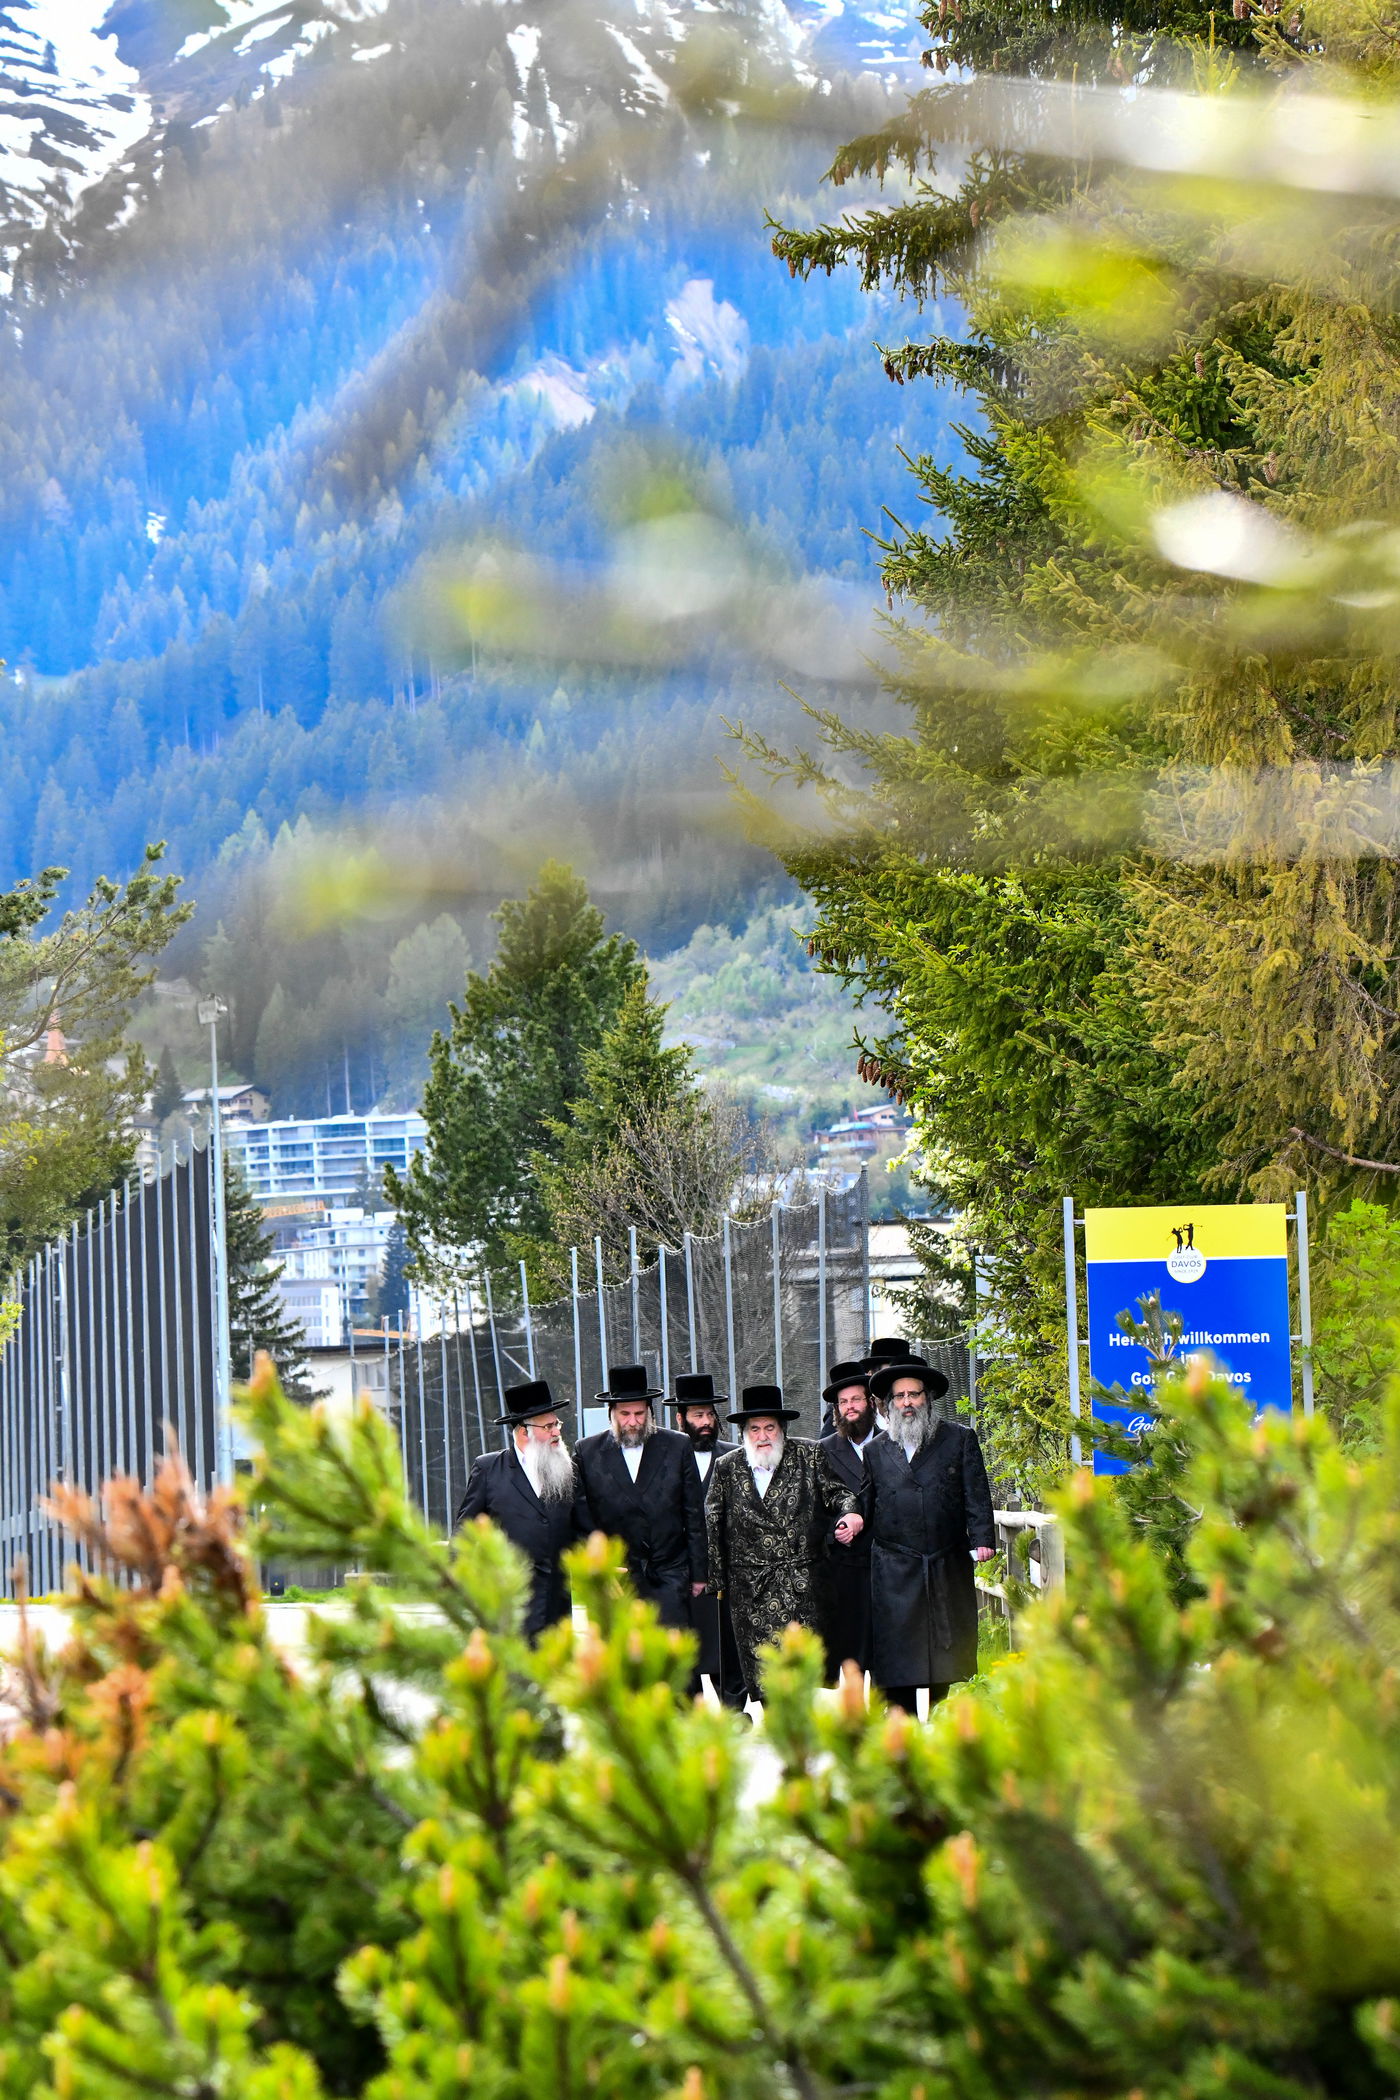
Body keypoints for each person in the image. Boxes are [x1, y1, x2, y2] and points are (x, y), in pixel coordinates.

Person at [704, 1383, 863, 1703]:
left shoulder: (809, 1454)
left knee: (800, 1667)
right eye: (755, 1428)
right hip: (750, 1587)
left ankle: (800, 1730)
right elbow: (713, 1518)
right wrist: (717, 1579)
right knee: (764, 1670)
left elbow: (839, 1493)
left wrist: (851, 1514)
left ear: (782, 1429)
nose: (762, 1435)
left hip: (802, 1584)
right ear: (744, 1432)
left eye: (769, 1427)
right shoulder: (727, 1467)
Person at [863, 1354, 996, 1714]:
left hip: (944, 1561)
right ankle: (899, 1726)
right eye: (900, 1396)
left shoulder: (959, 1439)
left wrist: (982, 1538)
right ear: (890, 1404)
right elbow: (864, 1500)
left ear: (928, 1398)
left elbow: (977, 1492)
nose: (908, 1402)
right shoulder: (875, 1451)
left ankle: (943, 1717)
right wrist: (849, 1519)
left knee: (944, 1655)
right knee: (897, 1656)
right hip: (894, 1569)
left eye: (915, 1394)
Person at [456, 1380, 591, 1642]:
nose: (556, 1432)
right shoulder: (488, 1470)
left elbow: (584, 1526)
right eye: (548, 1426)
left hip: (557, 1604)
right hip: (510, 1602)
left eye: (557, 1424)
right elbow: (466, 1530)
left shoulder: (568, 1470)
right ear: (523, 1432)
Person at [575, 1363, 708, 1629]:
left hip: (670, 1574)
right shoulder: (587, 1452)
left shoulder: (677, 1445)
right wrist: (600, 1566)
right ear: (611, 1412)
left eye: (639, 1413)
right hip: (618, 1577)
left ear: (649, 1411)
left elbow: (693, 1514)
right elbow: (582, 1519)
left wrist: (698, 1574)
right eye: (625, 1414)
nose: (633, 1422)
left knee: (672, 1660)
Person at [670, 1369, 748, 1709]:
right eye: (697, 1415)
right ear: (680, 1418)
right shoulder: (667, 1456)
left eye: (710, 1414)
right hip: (682, 1570)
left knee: (726, 1643)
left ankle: (733, 1709)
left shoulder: (735, 1456)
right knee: (689, 1645)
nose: (706, 1422)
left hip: (727, 1572)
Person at [818, 1360, 878, 1678]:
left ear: (870, 1402)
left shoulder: (891, 1444)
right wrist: (836, 1529)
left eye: (855, 1400)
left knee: (884, 1651)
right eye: (843, 1403)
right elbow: (813, 1508)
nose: (849, 1408)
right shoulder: (822, 1452)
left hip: (885, 1564)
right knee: (847, 1654)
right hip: (842, 1568)